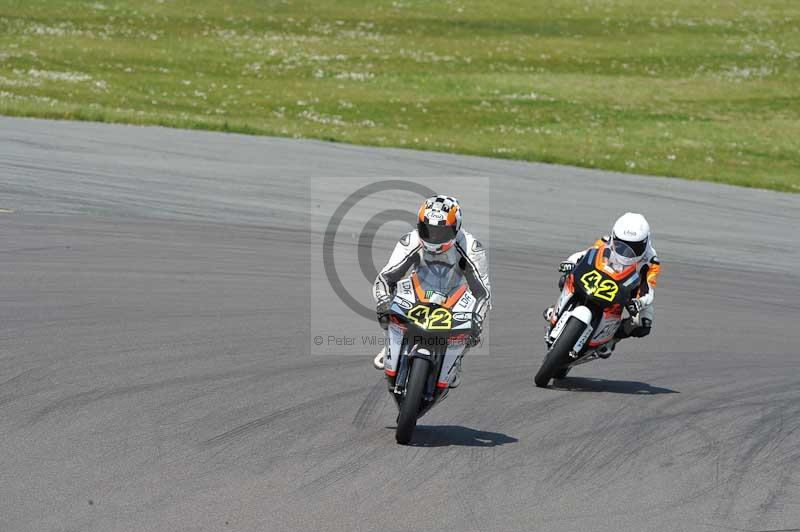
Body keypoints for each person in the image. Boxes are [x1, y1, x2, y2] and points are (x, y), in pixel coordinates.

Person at [372, 195, 491, 387]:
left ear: (456, 228)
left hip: (454, 297)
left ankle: (455, 360)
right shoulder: (411, 240)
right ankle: (391, 341)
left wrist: (477, 319)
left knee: (472, 333)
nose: (433, 237)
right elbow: (385, 277)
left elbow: (483, 293)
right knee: (387, 312)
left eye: (441, 232)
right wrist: (383, 300)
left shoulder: (471, 248)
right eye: (428, 230)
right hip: (417, 291)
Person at [544, 212, 661, 358]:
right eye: (621, 244)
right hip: (601, 276)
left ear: (645, 243)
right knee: (566, 277)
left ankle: (611, 339)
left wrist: (639, 302)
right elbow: (586, 255)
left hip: (631, 287)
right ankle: (558, 308)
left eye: (634, 247)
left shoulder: (651, 261)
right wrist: (571, 262)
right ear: (614, 236)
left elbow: (647, 288)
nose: (626, 251)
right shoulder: (607, 241)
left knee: (642, 324)